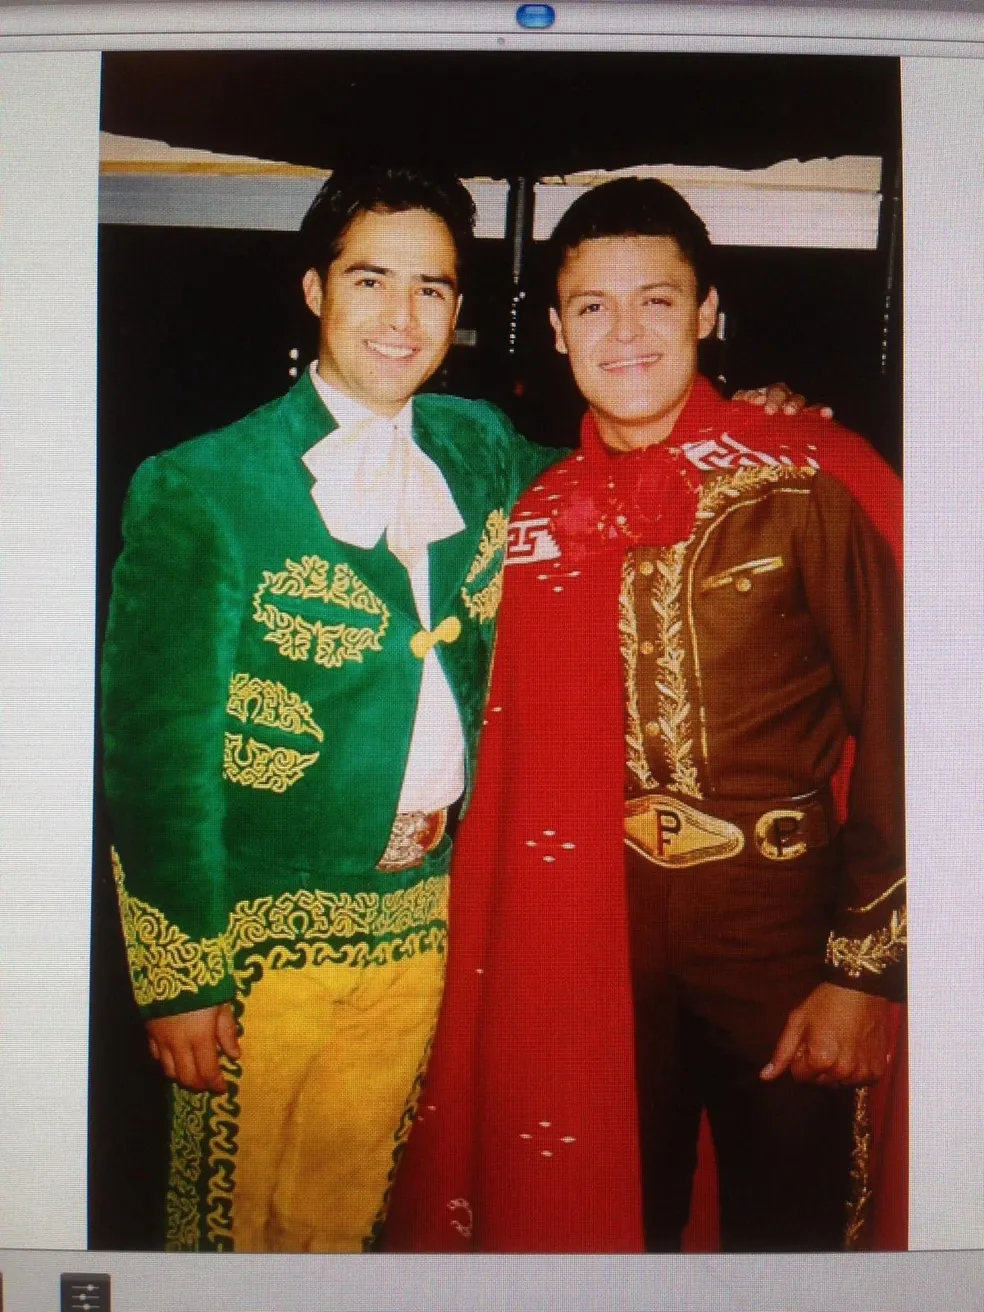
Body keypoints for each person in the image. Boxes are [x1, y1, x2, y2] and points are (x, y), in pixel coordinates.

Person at [384, 178, 905, 1254]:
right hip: (591, 933)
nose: (624, 334)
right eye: (593, 307)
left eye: (656, 302)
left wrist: (861, 977)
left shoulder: (809, 476)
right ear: (557, 329)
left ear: (707, 311)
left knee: (786, 1245)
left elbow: (919, 735)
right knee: (610, 1228)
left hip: (776, 927)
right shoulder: (534, 514)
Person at [100, 166, 558, 1252]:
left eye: (432, 288)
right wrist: (180, 977)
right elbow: (155, 756)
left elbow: (605, 476)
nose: (403, 316)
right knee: (225, 1240)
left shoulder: (479, 445)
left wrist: (752, 418)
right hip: (257, 941)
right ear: (315, 291)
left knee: (346, 1227)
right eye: (370, 280)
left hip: (425, 920)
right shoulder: (201, 484)